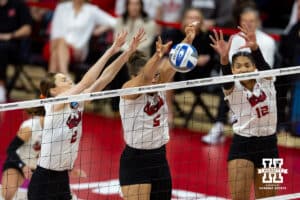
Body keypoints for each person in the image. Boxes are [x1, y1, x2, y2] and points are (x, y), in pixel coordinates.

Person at [27, 29, 145, 199]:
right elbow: (85, 82)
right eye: (63, 80)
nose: (68, 80)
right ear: (53, 90)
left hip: (61, 178)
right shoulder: (54, 103)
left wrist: (127, 53)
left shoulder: (76, 101)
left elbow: (105, 78)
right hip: (44, 179)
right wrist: (111, 50)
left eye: (67, 78)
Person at [118, 23, 197, 199]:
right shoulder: (128, 90)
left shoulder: (159, 81)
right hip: (135, 161)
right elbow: (145, 76)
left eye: (156, 76)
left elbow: (174, 62)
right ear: (134, 78)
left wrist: (188, 40)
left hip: (160, 158)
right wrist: (157, 55)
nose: (153, 80)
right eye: (149, 77)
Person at [210, 25, 278, 199]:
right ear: (233, 71)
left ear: (254, 67)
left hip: (269, 146)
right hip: (242, 145)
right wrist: (224, 59)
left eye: (247, 65)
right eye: (238, 66)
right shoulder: (233, 89)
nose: (243, 69)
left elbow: (263, 65)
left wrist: (254, 48)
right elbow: (226, 79)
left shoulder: (266, 80)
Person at [202, 6, 276, 144]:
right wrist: (226, 79)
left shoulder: (268, 41)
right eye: (244, 21)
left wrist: (246, 77)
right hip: (236, 82)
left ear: (258, 21)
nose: (248, 24)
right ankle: (219, 126)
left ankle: (235, 117)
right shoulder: (234, 39)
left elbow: (267, 70)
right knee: (226, 88)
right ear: (240, 22)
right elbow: (229, 62)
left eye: (251, 21)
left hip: (259, 84)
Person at [46, 0, 116, 74]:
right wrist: (58, 45)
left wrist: (103, 28)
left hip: (78, 49)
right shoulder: (61, 8)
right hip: (55, 45)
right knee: (58, 48)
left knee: (56, 52)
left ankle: (52, 80)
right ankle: (65, 75)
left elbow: (115, 22)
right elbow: (55, 32)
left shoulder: (92, 10)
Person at [1, 107, 44, 200]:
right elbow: (10, 149)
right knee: (8, 194)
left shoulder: (56, 128)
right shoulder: (29, 128)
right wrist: (23, 166)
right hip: (18, 163)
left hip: (38, 167)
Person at [0, 0, 32, 103]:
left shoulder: (19, 5)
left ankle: (1, 86)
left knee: (2, 48)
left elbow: (27, 29)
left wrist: (10, 35)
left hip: (15, 45)